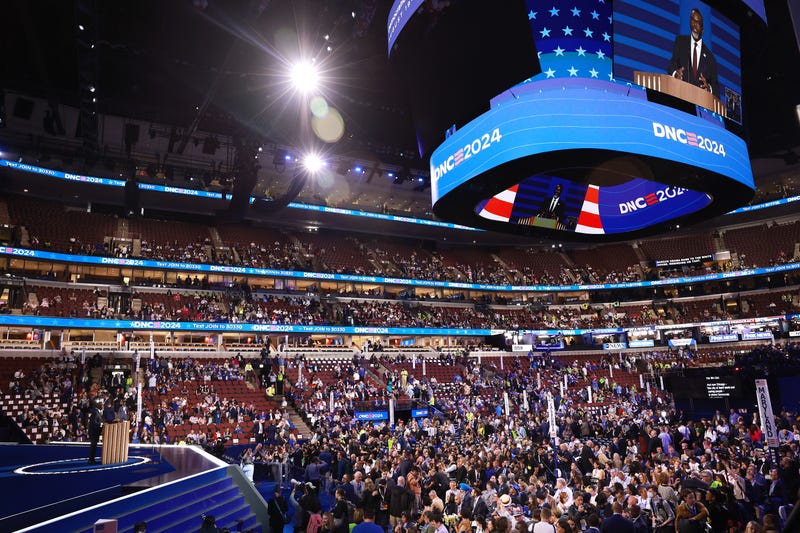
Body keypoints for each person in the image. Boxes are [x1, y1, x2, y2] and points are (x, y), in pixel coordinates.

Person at [668, 8, 718, 95]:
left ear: (702, 29)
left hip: (700, 100)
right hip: (680, 95)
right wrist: (675, 74)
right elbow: (672, 66)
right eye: (693, 20)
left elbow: (716, 88)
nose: (694, 24)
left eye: (698, 22)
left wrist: (709, 88)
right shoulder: (680, 42)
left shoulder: (710, 57)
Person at [88, 398, 103, 464]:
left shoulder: (97, 412)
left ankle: (92, 459)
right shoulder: (95, 412)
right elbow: (94, 423)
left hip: (95, 432)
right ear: (98, 405)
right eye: (101, 405)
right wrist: (101, 425)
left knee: (94, 446)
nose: (102, 406)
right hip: (94, 432)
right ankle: (91, 460)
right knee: (93, 446)